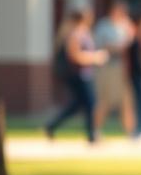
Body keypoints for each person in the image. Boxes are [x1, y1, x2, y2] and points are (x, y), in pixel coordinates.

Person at [45, 9, 108, 142]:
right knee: (90, 103)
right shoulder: (75, 34)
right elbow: (75, 55)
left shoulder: (83, 33)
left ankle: (52, 125)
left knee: (77, 104)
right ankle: (92, 135)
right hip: (78, 74)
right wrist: (95, 57)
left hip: (84, 73)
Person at [93, 1, 136, 137]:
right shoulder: (103, 26)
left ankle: (131, 133)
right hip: (108, 68)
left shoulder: (126, 25)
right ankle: (95, 130)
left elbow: (133, 42)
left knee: (127, 100)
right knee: (104, 100)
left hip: (124, 68)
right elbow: (101, 47)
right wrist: (120, 47)